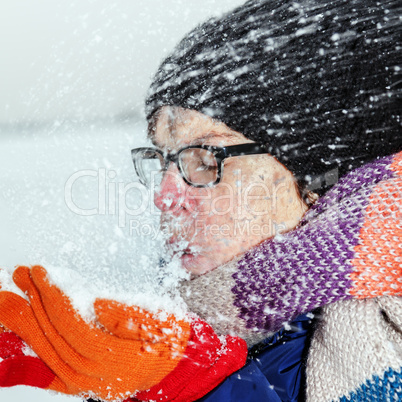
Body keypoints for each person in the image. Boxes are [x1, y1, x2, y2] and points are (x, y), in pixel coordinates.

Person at [0, 0, 401, 401]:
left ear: (315, 178)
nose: (164, 196)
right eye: (164, 160)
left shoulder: (385, 338)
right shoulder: (189, 317)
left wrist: (190, 383)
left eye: (207, 158)